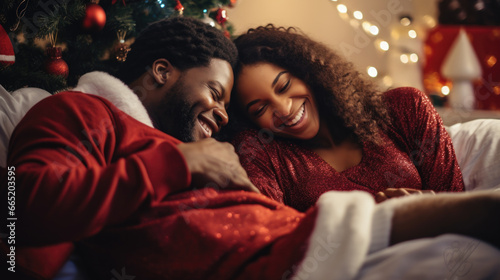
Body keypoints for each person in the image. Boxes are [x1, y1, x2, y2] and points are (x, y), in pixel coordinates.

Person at [1, 18, 500, 280]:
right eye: (218, 95)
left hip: (301, 242)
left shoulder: (177, 145)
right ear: (161, 71)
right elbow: (14, 212)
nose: (221, 115)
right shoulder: (80, 111)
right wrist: (178, 162)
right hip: (295, 259)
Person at [226, 25, 464, 212]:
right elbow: (271, 229)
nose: (284, 108)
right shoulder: (263, 154)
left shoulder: (405, 108)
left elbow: (458, 205)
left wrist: (426, 207)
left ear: (309, 72)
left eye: (284, 86)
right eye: (260, 109)